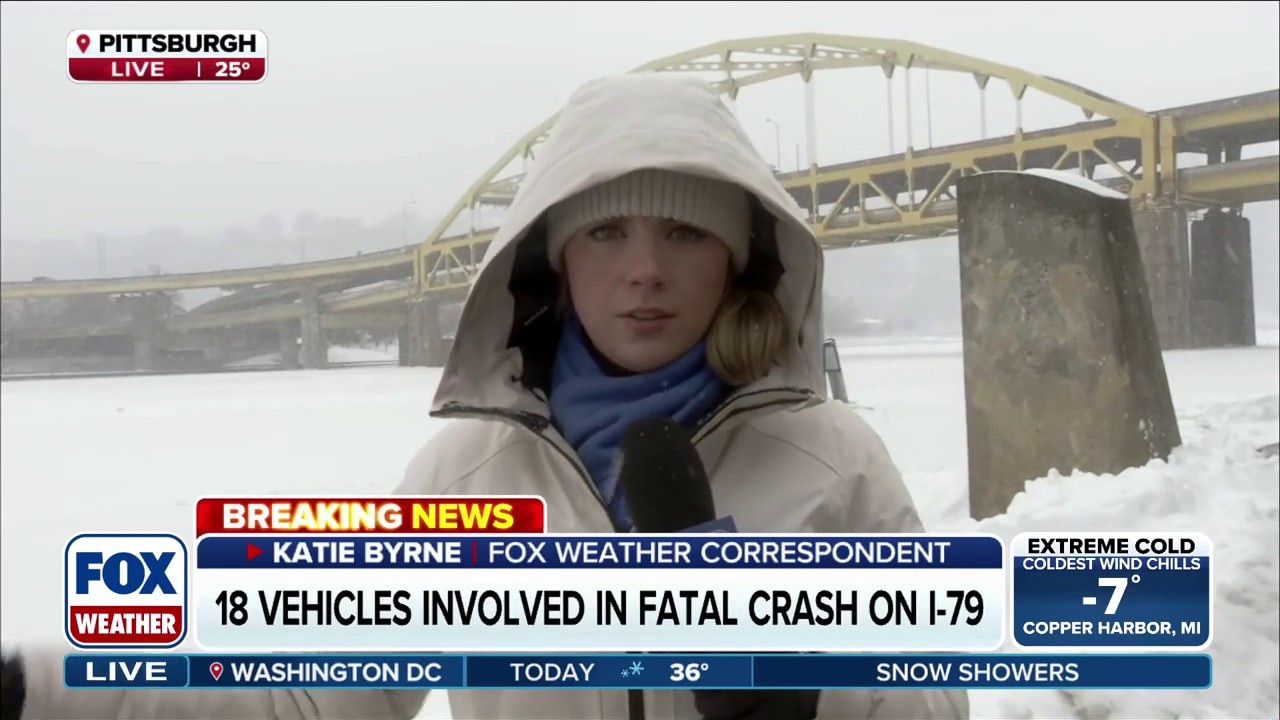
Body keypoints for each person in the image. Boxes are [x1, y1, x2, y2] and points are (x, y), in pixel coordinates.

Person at [0, 73, 969, 720]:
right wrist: (42, 685)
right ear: (552, 263)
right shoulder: (464, 474)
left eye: (684, 234)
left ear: (736, 261)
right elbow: (310, 697)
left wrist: (793, 679)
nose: (643, 270)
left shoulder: (833, 456)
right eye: (605, 234)